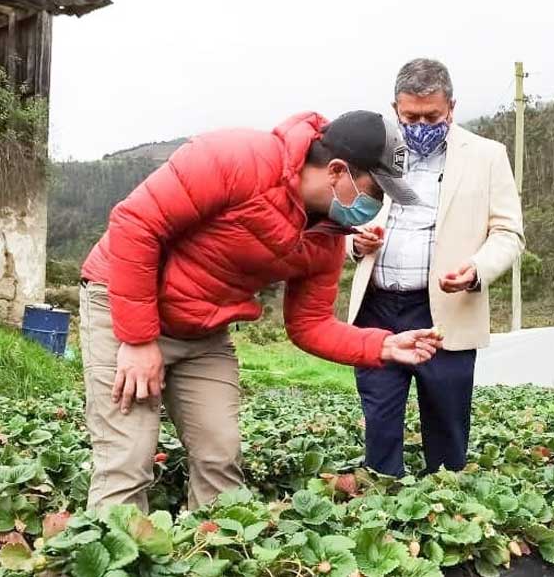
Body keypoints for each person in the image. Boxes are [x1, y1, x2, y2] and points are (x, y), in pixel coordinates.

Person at [78, 110, 444, 512]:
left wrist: (383, 346)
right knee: (127, 459)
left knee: (220, 455)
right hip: (124, 305)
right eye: (375, 191)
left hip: (203, 330)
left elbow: (310, 324)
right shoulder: (237, 158)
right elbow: (136, 224)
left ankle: (211, 551)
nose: (377, 205)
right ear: (337, 171)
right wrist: (138, 340)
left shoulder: (325, 238)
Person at [345, 58, 524, 477]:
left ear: (452, 107)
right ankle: (383, 506)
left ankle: (443, 511)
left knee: (447, 425)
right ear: (395, 109)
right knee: (380, 422)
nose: (421, 124)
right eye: (411, 116)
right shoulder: (370, 153)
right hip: (378, 310)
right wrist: (353, 242)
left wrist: (477, 269)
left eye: (433, 116)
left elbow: (508, 233)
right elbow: (338, 218)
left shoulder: (487, 156)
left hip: (445, 312)